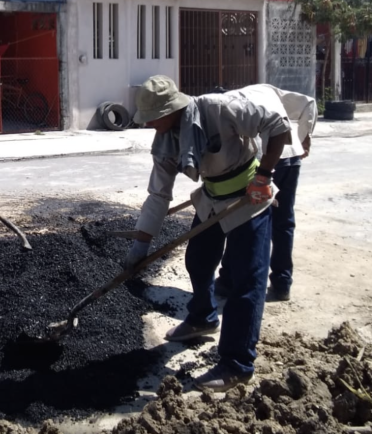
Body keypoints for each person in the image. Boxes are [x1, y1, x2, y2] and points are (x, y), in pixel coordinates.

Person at [124, 75, 291, 391]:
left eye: (152, 118)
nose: (148, 125)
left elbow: (278, 126)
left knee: (247, 281)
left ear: (171, 109)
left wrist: (266, 175)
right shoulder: (165, 142)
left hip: (249, 195)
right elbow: (159, 195)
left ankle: (237, 364)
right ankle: (203, 317)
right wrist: (140, 246)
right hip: (213, 197)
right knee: (198, 261)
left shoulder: (219, 108)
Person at [212, 84, 317, 302]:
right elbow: (309, 103)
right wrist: (306, 135)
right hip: (290, 156)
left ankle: (228, 279)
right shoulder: (265, 90)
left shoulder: (229, 107)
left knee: (243, 219)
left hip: (266, 160)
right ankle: (282, 283)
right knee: (284, 222)